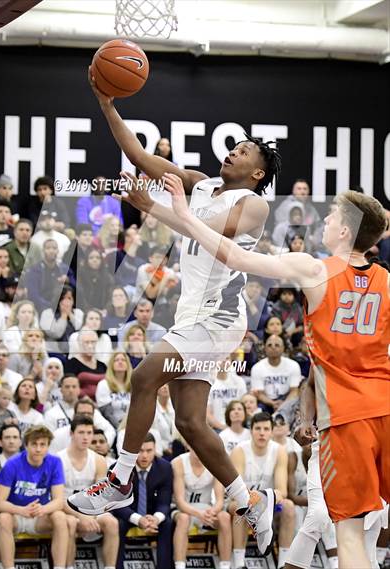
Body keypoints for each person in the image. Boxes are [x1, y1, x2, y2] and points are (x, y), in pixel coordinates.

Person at [68, 70, 282, 555]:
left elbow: (197, 226)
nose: (233, 150)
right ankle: (251, 500)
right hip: (193, 317)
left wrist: (152, 206)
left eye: (244, 151)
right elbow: (141, 158)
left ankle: (120, 476)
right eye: (235, 146)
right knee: (189, 422)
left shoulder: (252, 205)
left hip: (221, 319)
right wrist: (107, 103)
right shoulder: (200, 183)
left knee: (144, 376)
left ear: (258, 173)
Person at [166, 179, 390, 568]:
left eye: (334, 214)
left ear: (345, 230)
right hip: (386, 405)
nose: (325, 219)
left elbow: (237, 258)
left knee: (350, 533)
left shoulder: (314, 268)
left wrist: (184, 215)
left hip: (348, 418)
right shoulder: (387, 281)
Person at [0, 425, 68, 569]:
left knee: (60, 517)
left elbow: (59, 501)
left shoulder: (55, 462)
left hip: (39, 517)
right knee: (3, 518)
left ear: (48, 446)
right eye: (34, 444)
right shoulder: (12, 464)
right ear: (26, 445)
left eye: (43, 445)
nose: (38, 449)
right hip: (16, 516)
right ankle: (9, 567)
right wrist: (21, 510)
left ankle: (60, 567)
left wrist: (43, 509)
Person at [230, 412, 293, 569]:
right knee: (240, 508)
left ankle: (283, 563)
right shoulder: (239, 450)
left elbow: (282, 490)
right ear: (251, 431)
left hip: (268, 502)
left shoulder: (279, 451)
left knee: (289, 507)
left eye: (266, 429)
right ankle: (239, 563)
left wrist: (263, 498)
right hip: (242, 500)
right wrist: (252, 500)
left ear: (271, 431)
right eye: (258, 428)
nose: (262, 433)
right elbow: (235, 490)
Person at [58, 416, 119, 569]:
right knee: (69, 523)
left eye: (89, 432)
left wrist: (89, 516)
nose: (86, 437)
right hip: (65, 509)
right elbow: (57, 499)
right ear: (72, 434)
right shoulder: (58, 460)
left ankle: (110, 567)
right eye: (81, 432)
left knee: (112, 522)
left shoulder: (98, 460)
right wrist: (81, 516)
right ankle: (69, 566)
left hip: (89, 510)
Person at [111, 433, 173, 569]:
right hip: (127, 514)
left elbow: (164, 501)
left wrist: (156, 519)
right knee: (117, 525)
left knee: (167, 523)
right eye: (140, 451)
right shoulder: (119, 468)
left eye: (149, 451)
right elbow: (117, 504)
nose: (144, 455)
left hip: (151, 514)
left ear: (155, 449)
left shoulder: (165, 468)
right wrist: (138, 519)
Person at [172, 445, 232, 569]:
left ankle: (225, 565)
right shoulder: (178, 463)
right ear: (189, 445)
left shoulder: (215, 463)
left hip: (206, 509)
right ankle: (180, 566)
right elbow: (180, 501)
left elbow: (220, 500)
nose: (199, 449)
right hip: (182, 509)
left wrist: (212, 511)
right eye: (195, 445)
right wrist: (199, 514)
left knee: (225, 517)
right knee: (183, 519)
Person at [251, 335, 301, 413]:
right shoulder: (257, 368)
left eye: (277, 345)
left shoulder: (293, 365)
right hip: (266, 402)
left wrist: (284, 404)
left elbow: (294, 391)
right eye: (269, 345)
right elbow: (259, 394)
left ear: (283, 348)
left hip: (287, 400)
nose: (273, 347)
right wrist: (272, 403)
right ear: (265, 348)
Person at [48, 396, 116, 454]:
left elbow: (111, 430)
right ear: (74, 415)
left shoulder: (97, 430)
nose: (86, 416)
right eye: (82, 413)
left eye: (89, 413)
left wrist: (104, 445)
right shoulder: (59, 434)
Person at [64, 329, 107, 400]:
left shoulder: (102, 365)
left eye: (93, 342)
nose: (90, 346)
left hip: (102, 402)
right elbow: (70, 386)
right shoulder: (72, 364)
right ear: (79, 344)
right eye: (86, 342)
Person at [40, 285, 83, 354]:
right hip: (53, 352)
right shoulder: (47, 313)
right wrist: (64, 315)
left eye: (69, 298)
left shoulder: (78, 312)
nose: (66, 302)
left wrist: (70, 314)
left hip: (75, 353)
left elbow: (80, 329)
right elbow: (56, 333)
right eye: (63, 298)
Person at [207, 358, 247, 431]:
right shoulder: (208, 383)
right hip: (218, 428)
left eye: (227, 358)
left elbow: (244, 406)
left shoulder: (239, 381)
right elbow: (208, 414)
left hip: (238, 426)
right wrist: (223, 428)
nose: (224, 361)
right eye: (221, 358)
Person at [96, 351, 132, 430]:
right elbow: (107, 414)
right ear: (111, 364)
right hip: (113, 426)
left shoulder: (134, 385)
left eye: (123, 360)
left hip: (132, 424)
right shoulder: (103, 384)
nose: (120, 362)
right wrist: (120, 429)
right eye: (116, 360)